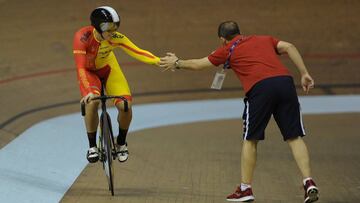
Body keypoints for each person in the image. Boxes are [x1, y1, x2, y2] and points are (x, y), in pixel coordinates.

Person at [160, 21, 319, 203]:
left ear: (222, 39)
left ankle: (245, 189)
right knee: (294, 137)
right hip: (285, 83)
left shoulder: (226, 50)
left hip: (261, 88)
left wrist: (177, 63)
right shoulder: (264, 39)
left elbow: (199, 64)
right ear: (239, 32)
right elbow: (290, 46)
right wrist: (304, 73)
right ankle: (309, 182)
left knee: (250, 139)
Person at [73, 6, 160, 163]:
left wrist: (159, 61)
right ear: (98, 26)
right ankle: (92, 146)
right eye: (109, 27)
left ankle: (121, 143)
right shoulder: (82, 37)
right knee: (92, 103)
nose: (113, 30)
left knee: (125, 105)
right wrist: (88, 92)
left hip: (109, 69)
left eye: (116, 26)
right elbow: (80, 67)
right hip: (89, 73)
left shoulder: (115, 37)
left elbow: (138, 51)